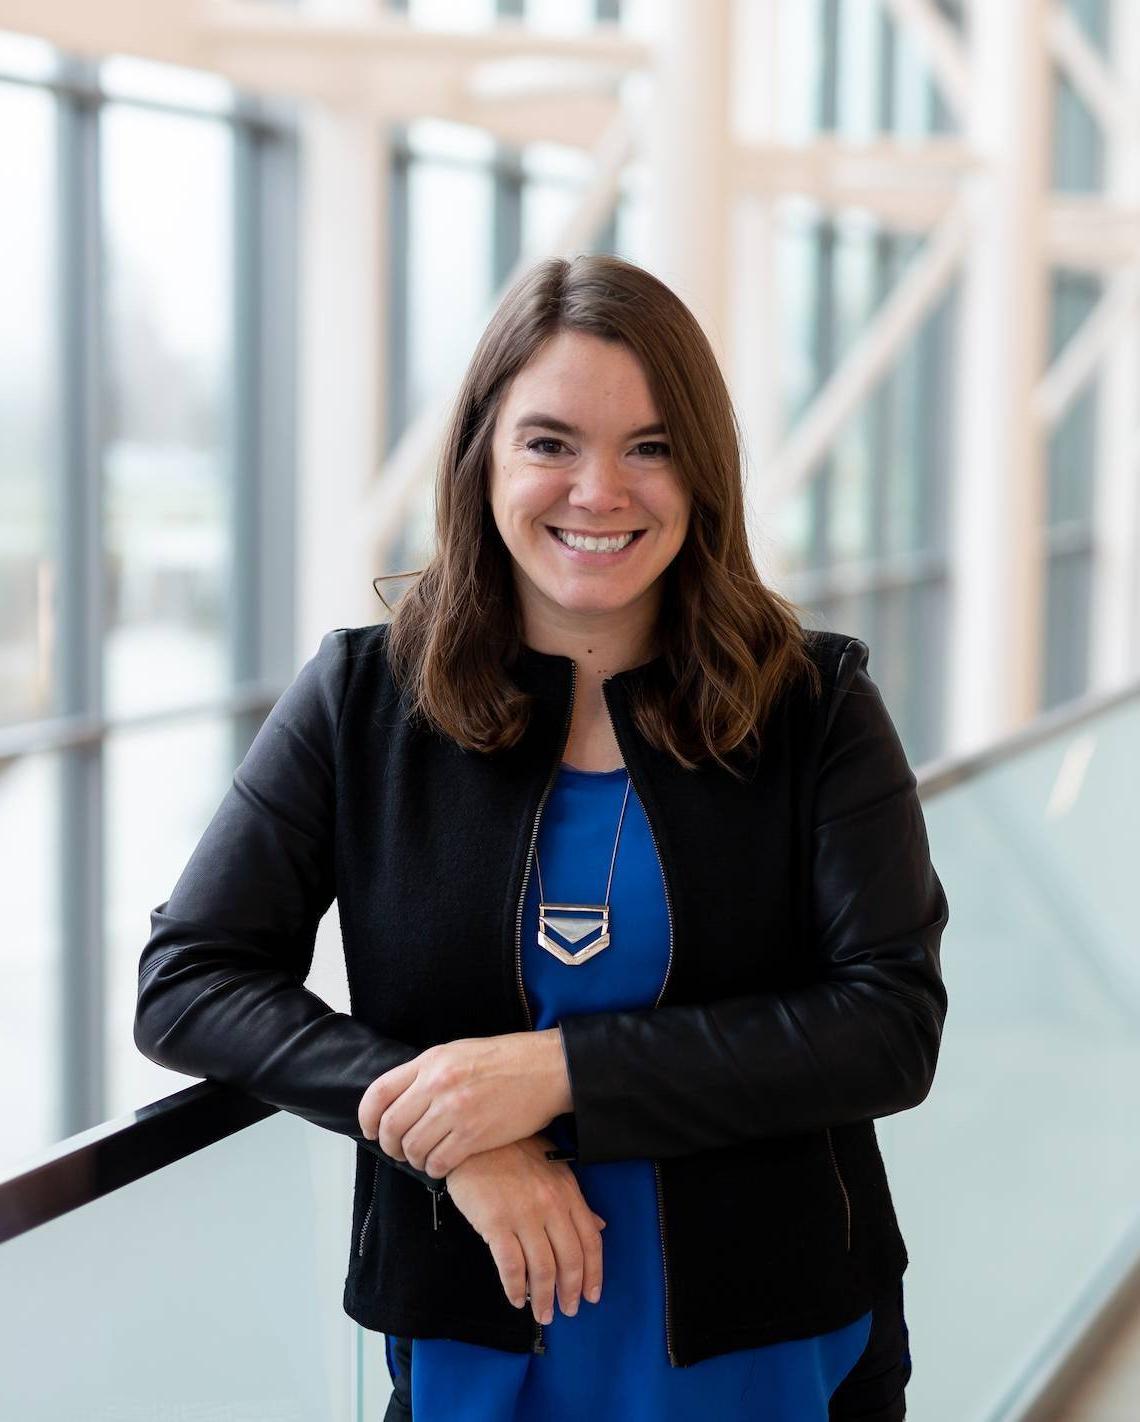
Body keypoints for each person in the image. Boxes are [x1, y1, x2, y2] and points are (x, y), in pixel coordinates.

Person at [134, 253, 949, 1422]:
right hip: (474, 1338)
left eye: (651, 447)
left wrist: (555, 1076)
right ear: (484, 460)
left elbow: (889, 1026)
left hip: (774, 1341)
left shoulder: (814, 705)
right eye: (551, 442)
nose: (599, 490)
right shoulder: (362, 700)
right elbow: (187, 978)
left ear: (703, 472)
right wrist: (452, 1130)